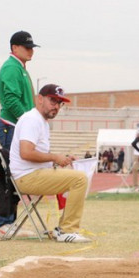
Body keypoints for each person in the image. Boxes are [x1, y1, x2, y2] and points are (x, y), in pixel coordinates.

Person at [9, 84, 91, 243]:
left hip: (32, 174)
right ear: (40, 99)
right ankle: (67, 230)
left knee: (77, 177)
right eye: (52, 101)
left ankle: (64, 229)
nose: (56, 107)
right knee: (79, 179)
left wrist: (62, 159)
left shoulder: (41, 121)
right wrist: (54, 157)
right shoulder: (32, 119)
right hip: (26, 177)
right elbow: (25, 153)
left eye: (59, 103)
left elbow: (36, 155)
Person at [0, 30, 39, 236]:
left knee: (16, 174)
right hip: (10, 126)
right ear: (14, 48)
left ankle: (10, 221)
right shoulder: (12, 68)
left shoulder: (19, 68)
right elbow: (11, 100)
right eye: (26, 47)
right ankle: (5, 222)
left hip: (16, 125)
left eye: (32, 47)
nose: (31, 51)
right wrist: (28, 120)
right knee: (10, 176)